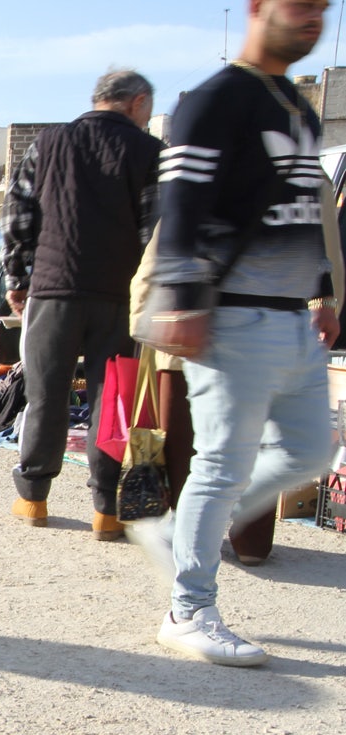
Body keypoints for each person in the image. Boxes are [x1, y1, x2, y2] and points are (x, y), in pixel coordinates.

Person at [138, 0, 340, 667]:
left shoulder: (297, 108)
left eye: (322, 8)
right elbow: (180, 204)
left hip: (290, 313)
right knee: (220, 462)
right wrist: (185, 297)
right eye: (300, 5)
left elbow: (306, 209)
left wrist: (322, 290)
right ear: (257, 8)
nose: (313, 18)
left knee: (310, 450)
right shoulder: (215, 100)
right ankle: (187, 607)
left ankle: (179, 532)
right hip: (230, 311)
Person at [2, 70, 162, 540]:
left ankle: (33, 498)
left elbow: (19, 213)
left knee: (45, 394)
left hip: (52, 290)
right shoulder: (149, 152)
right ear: (137, 102)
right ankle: (106, 510)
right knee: (110, 402)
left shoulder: (48, 143)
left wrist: (18, 278)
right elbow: (154, 231)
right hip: (119, 295)